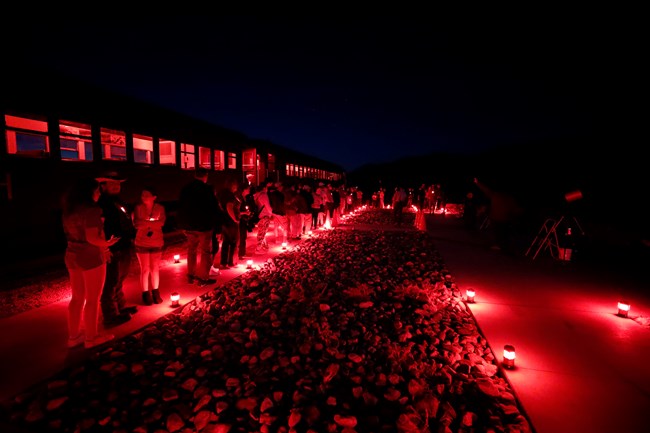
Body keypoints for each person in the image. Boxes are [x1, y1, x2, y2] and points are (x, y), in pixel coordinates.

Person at [61, 177, 118, 349]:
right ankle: (91, 338)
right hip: (91, 257)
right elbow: (92, 238)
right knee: (93, 299)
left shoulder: (69, 210)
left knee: (77, 298)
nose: (99, 193)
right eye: (97, 190)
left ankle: (73, 337)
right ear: (90, 192)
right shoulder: (92, 210)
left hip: (72, 255)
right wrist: (108, 243)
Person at [96, 171, 137, 329]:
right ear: (103, 185)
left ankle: (121, 306)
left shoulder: (118, 201)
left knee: (119, 279)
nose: (116, 186)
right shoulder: (101, 203)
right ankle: (110, 315)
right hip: (112, 248)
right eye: (112, 183)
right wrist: (105, 247)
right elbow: (100, 227)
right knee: (110, 281)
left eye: (118, 183)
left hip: (124, 245)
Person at [176, 168, 222, 287]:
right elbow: (214, 209)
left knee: (191, 250)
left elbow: (180, 207)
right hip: (204, 226)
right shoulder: (207, 189)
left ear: (195, 175)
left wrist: (182, 224)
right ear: (205, 176)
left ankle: (191, 276)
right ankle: (203, 278)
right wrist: (217, 228)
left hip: (189, 226)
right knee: (205, 252)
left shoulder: (186, 189)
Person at [132, 186, 166, 305]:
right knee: (145, 269)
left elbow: (161, 222)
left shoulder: (160, 208)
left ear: (154, 197)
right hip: (141, 242)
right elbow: (136, 224)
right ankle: (145, 294)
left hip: (157, 242)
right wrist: (152, 223)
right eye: (142, 195)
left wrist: (145, 223)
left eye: (147, 195)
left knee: (155, 268)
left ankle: (156, 292)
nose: (144, 197)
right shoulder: (138, 208)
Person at [474, 177, 524, 253]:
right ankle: (502, 245)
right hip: (504, 218)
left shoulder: (495, 195)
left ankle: (498, 245)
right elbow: (516, 209)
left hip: (496, 217)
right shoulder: (510, 198)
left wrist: (477, 183)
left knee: (496, 231)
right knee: (502, 232)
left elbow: (486, 190)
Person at [216, 178, 242, 269]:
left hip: (223, 220)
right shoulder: (230, 195)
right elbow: (229, 207)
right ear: (232, 185)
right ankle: (230, 262)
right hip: (230, 221)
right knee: (232, 241)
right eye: (235, 185)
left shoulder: (221, 194)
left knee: (226, 242)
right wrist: (235, 219)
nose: (236, 187)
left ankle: (224, 262)